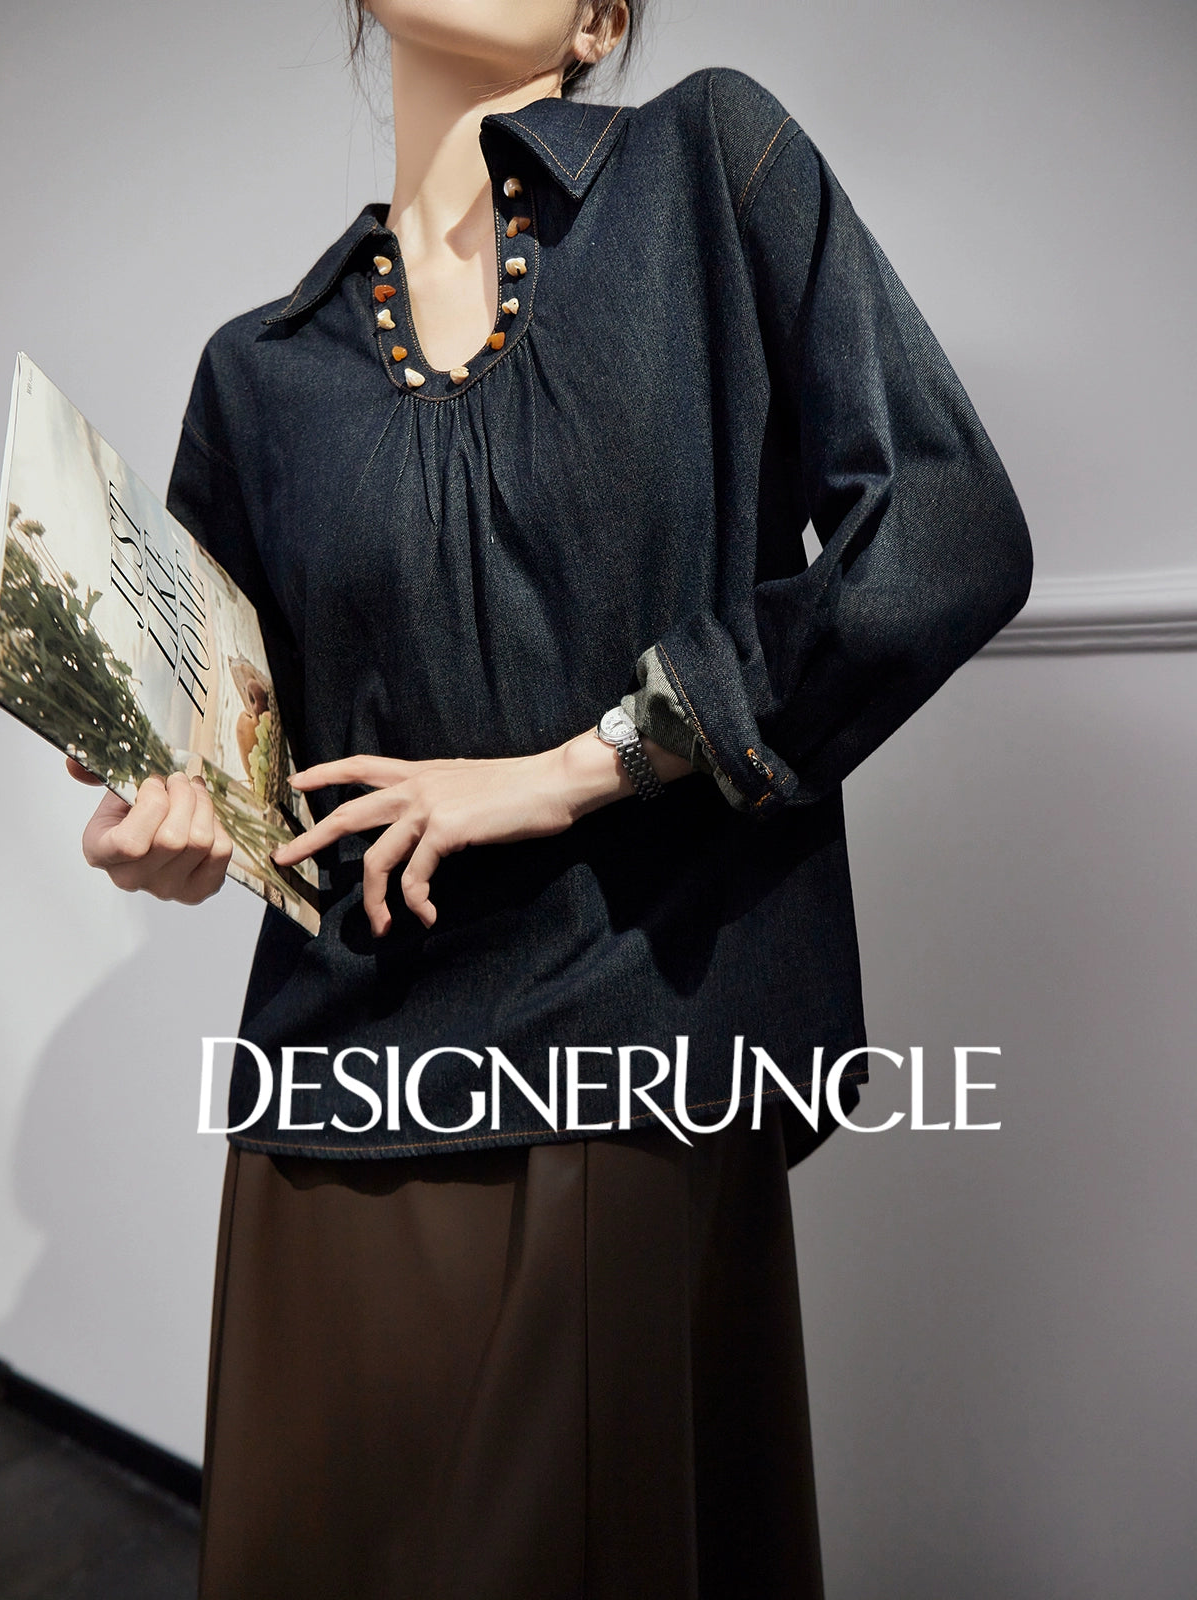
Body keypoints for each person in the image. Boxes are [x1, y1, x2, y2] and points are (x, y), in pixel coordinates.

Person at [67, 1, 1033, 1594]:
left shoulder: (708, 167)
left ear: (597, 22)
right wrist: (165, 839)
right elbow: (242, 779)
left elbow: (948, 531)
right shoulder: (256, 374)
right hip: (323, 1115)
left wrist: (585, 763)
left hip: (622, 1064)